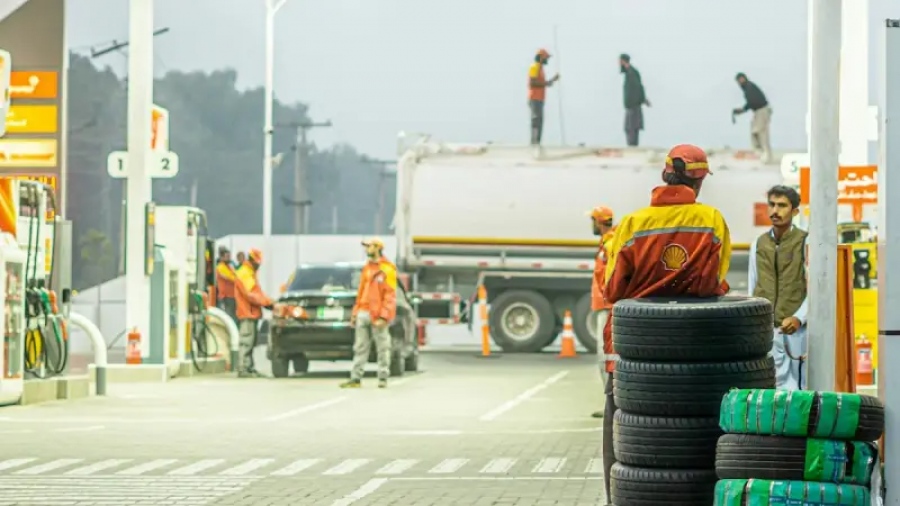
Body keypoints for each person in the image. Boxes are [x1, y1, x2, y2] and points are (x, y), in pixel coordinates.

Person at [601, 144, 732, 506]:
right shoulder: (712, 221)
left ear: (664, 175)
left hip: (632, 348)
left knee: (623, 434)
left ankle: (620, 499)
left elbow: (612, 289)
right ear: (700, 180)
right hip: (694, 349)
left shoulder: (630, 224)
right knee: (701, 434)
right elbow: (714, 284)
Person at [748, 185, 808, 390]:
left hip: (796, 331)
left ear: (795, 211)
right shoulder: (758, 243)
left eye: (782, 205)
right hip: (765, 332)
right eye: (772, 205)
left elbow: (815, 292)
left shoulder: (805, 242)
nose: (775, 211)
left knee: (797, 389)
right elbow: (752, 286)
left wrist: (800, 318)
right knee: (767, 388)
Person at [340, 237, 398, 389]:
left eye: (369, 246)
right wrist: (355, 312)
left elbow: (390, 295)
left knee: (382, 347)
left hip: (377, 315)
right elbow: (361, 292)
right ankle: (356, 378)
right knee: (360, 347)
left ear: (378, 247)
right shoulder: (367, 268)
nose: (366, 249)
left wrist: (384, 316)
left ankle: (383, 378)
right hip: (363, 313)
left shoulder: (387, 269)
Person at [587, 205, 616, 420]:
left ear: (599, 222)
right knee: (605, 356)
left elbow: (609, 276)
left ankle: (611, 404)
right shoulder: (607, 243)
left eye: (593, 221)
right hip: (605, 305)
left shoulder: (609, 244)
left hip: (607, 306)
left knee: (605, 356)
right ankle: (609, 403)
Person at [234, 248, 273, 378]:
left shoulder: (249, 272)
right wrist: (267, 303)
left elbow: (257, 292)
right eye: (258, 263)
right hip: (247, 312)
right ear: (252, 261)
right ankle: (243, 368)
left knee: (251, 341)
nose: (259, 266)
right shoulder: (244, 273)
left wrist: (267, 301)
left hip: (251, 312)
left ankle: (249, 368)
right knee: (246, 340)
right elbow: (251, 294)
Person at [732, 73, 773, 163]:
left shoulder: (750, 87)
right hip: (758, 111)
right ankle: (761, 153)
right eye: (738, 81)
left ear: (744, 78)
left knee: (761, 133)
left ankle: (766, 156)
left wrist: (743, 109)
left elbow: (753, 101)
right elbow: (751, 102)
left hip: (762, 110)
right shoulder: (747, 89)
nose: (740, 82)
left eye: (741, 79)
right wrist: (742, 110)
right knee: (755, 132)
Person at [528, 48, 560, 146]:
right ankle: (534, 143)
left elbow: (542, 83)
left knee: (539, 121)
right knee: (536, 120)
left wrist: (552, 80)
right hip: (535, 98)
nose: (547, 60)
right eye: (546, 57)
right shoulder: (534, 67)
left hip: (540, 99)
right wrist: (547, 83)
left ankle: (537, 143)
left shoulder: (540, 69)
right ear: (541, 57)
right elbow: (532, 82)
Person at [619, 54, 650, 147]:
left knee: (631, 128)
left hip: (633, 106)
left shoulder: (632, 73)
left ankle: (632, 147)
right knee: (630, 128)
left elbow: (638, 87)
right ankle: (632, 146)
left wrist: (643, 99)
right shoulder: (630, 73)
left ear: (623, 61)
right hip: (631, 106)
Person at [215, 246, 237, 321]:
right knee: (228, 318)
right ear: (221, 257)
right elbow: (232, 278)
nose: (229, 258)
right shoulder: (221, 267)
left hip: (232, 296)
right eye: (227, 256)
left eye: (229, 256)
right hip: (226, 297)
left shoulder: (229, 266)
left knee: (232, 317)